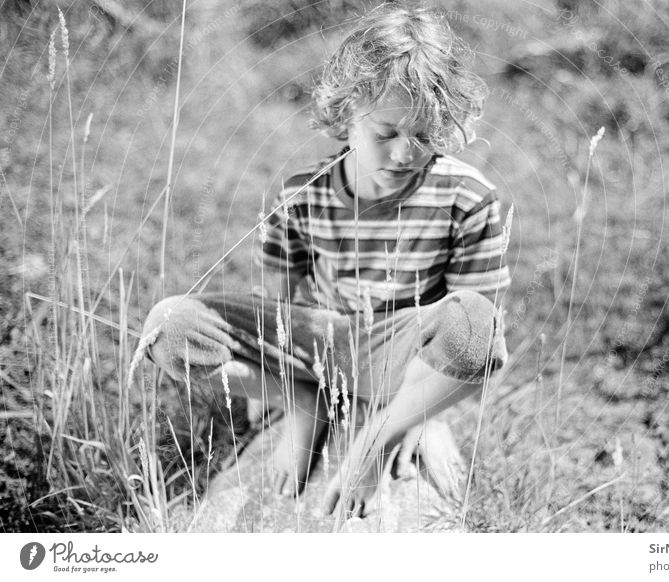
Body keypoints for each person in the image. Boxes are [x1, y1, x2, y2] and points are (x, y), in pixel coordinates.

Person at [141, 3, 510, 518]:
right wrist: (280, 384)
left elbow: (475, 322)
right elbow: (279, 305)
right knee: (169, 327)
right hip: (322, 339)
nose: (405, 153)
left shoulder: (468, 196)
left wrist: (414, 417)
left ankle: (381, 430)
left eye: (425, 135)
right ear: (348, 112)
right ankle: (303, 400)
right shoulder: (300, 197)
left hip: (403, 350)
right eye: (386, 134)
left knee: (474, 323)